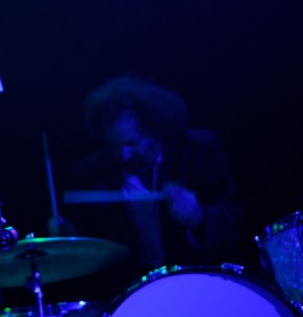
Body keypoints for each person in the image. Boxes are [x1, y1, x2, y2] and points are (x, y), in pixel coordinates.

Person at [64, 76, 243, 290]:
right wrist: (69, 239)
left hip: (200, 281)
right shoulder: (89, 172)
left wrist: (198, 217)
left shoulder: (198, 149)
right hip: (133, 291)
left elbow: (236, 218)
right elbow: (93, 245)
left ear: (156, 129)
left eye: (132, 143)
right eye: (114, 145)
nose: (123, 155)